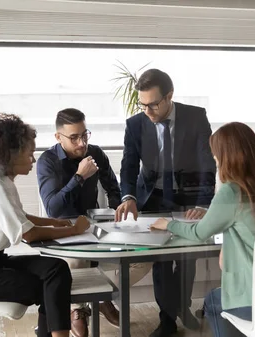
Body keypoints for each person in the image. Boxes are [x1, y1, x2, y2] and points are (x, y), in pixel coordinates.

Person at [150, 122, 255, 337]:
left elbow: (198, 234)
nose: (216, 162)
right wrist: (216, 215)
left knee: (212, 301)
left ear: (227, 156)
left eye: (216, 157)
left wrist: (168, 224)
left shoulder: (233, 191)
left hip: (252, 294)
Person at [0, 113, 91, 337]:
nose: (33, 159)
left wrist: (55, 222)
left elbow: (21, 216)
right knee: (49, 286)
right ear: (11, 154)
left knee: (56, 268)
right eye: (29, 153)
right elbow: (29, 234)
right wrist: (72, 230)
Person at [114, 69, 216, 337]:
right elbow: (128, 166)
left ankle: (182, 306)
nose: (148, 110)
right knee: (160, 259)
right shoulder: (135, 124)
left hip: (187, 197)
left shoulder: (195, 117)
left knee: (187, 258)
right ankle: (167, 319)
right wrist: (129, 196)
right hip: (153, 196)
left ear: (169, 96)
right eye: (142, 104)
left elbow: (207, 161)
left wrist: (204, 203)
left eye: (153, 104)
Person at [37, 108, 152, 336]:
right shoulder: (47, 162)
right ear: (58, 138)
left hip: (95, 228)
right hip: (65, 233)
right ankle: (79, 309)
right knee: (77, 261)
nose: (82, 143)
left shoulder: (96, 154)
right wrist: (79, 177)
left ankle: (100, 296)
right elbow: (53, 208)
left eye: (85, 135)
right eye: (74, 138)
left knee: (143, 258)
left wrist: (117, 210)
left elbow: (113, 188)